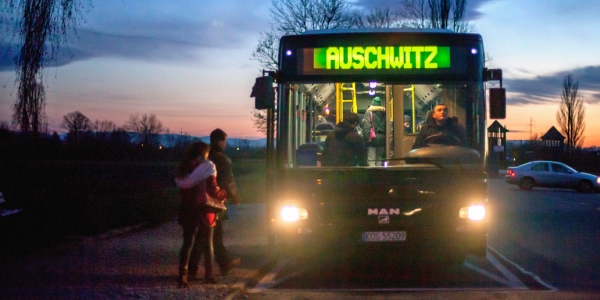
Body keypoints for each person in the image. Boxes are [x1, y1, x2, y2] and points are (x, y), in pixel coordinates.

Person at [175, 141, 227, 287]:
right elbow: (212, 189)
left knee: (187, 242)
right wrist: (223, 194)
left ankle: (182, 275)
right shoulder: (208, 166)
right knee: (207, 241)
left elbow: (182, 188)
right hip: (204, 209)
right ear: (205, 152)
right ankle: (209, 275)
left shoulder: (184, 167)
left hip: (187, 208)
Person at [208, 128, 242, 276]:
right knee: (217, 232)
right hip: (217, 200)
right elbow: (229, 182)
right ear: (219, 141)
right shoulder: (223, 160)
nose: (226, 144)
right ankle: (224, 263)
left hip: (203, 199)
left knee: (202, 235)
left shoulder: (206, 157)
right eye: (225, 141)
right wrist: (235, 196)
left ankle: (191, 268)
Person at [361, 97, 386, 166]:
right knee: (379, 158)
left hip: (372, 139)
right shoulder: (384, 113)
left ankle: (373, 175)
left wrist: (366, 140)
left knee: (371, 159)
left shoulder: (369, 112)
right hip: (382, 139)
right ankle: (379, 175)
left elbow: (367, 126)